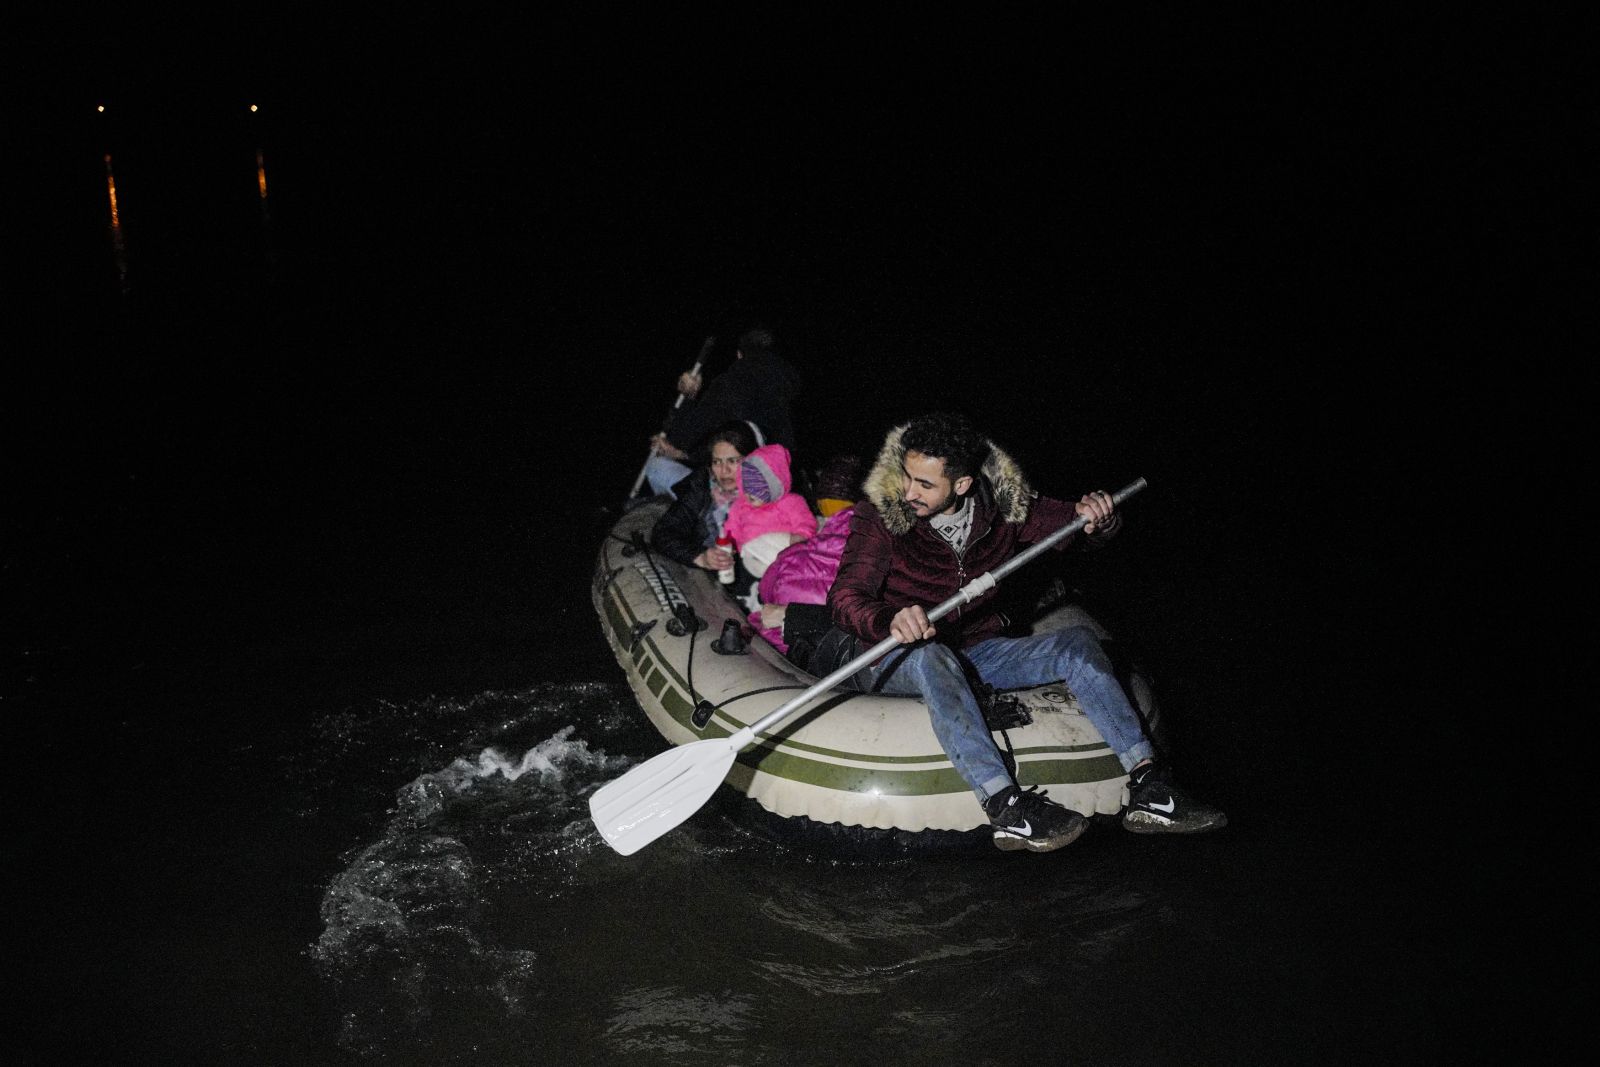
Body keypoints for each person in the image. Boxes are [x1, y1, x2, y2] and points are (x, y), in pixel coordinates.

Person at [826, 412, 1227, 854]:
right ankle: (1005, 807)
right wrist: (890, 619)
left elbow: (1073, 527)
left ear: (962, 485)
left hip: (977, 650)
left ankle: (1151, 788)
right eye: (907, 477)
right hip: (895, 655)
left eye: (924, 484)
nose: (908, 492)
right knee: (932, 656)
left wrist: (1098, 519)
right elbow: (845, 599)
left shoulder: (1003, 505)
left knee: (1077, 644)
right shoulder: (880, 514)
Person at [644, 327, 802, 498]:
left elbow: (680, 438)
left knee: (656, 467)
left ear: (739, 355)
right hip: (788, 489)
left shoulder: (732, 382)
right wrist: (685, 455)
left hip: (745, 496)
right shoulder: (793, 388)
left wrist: (689, 394)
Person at [650, 421, 758, 572]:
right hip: (704, 564)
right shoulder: (701, 487)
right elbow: (663, 533)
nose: (724, 470)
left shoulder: (766, 493)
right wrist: (700, 557)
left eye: (733, 461)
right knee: (655, 467)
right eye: (717, 462)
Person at [721, 443, 817, 580]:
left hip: (781, 550)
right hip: (752, 557)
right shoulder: (740, 505)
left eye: (758, 488)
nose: (750, 494)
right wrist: (729, 545)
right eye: (747, 486)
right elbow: (732, 528)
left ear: (774, 485)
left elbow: (805, 521)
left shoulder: (790, 502)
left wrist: (801, 535)